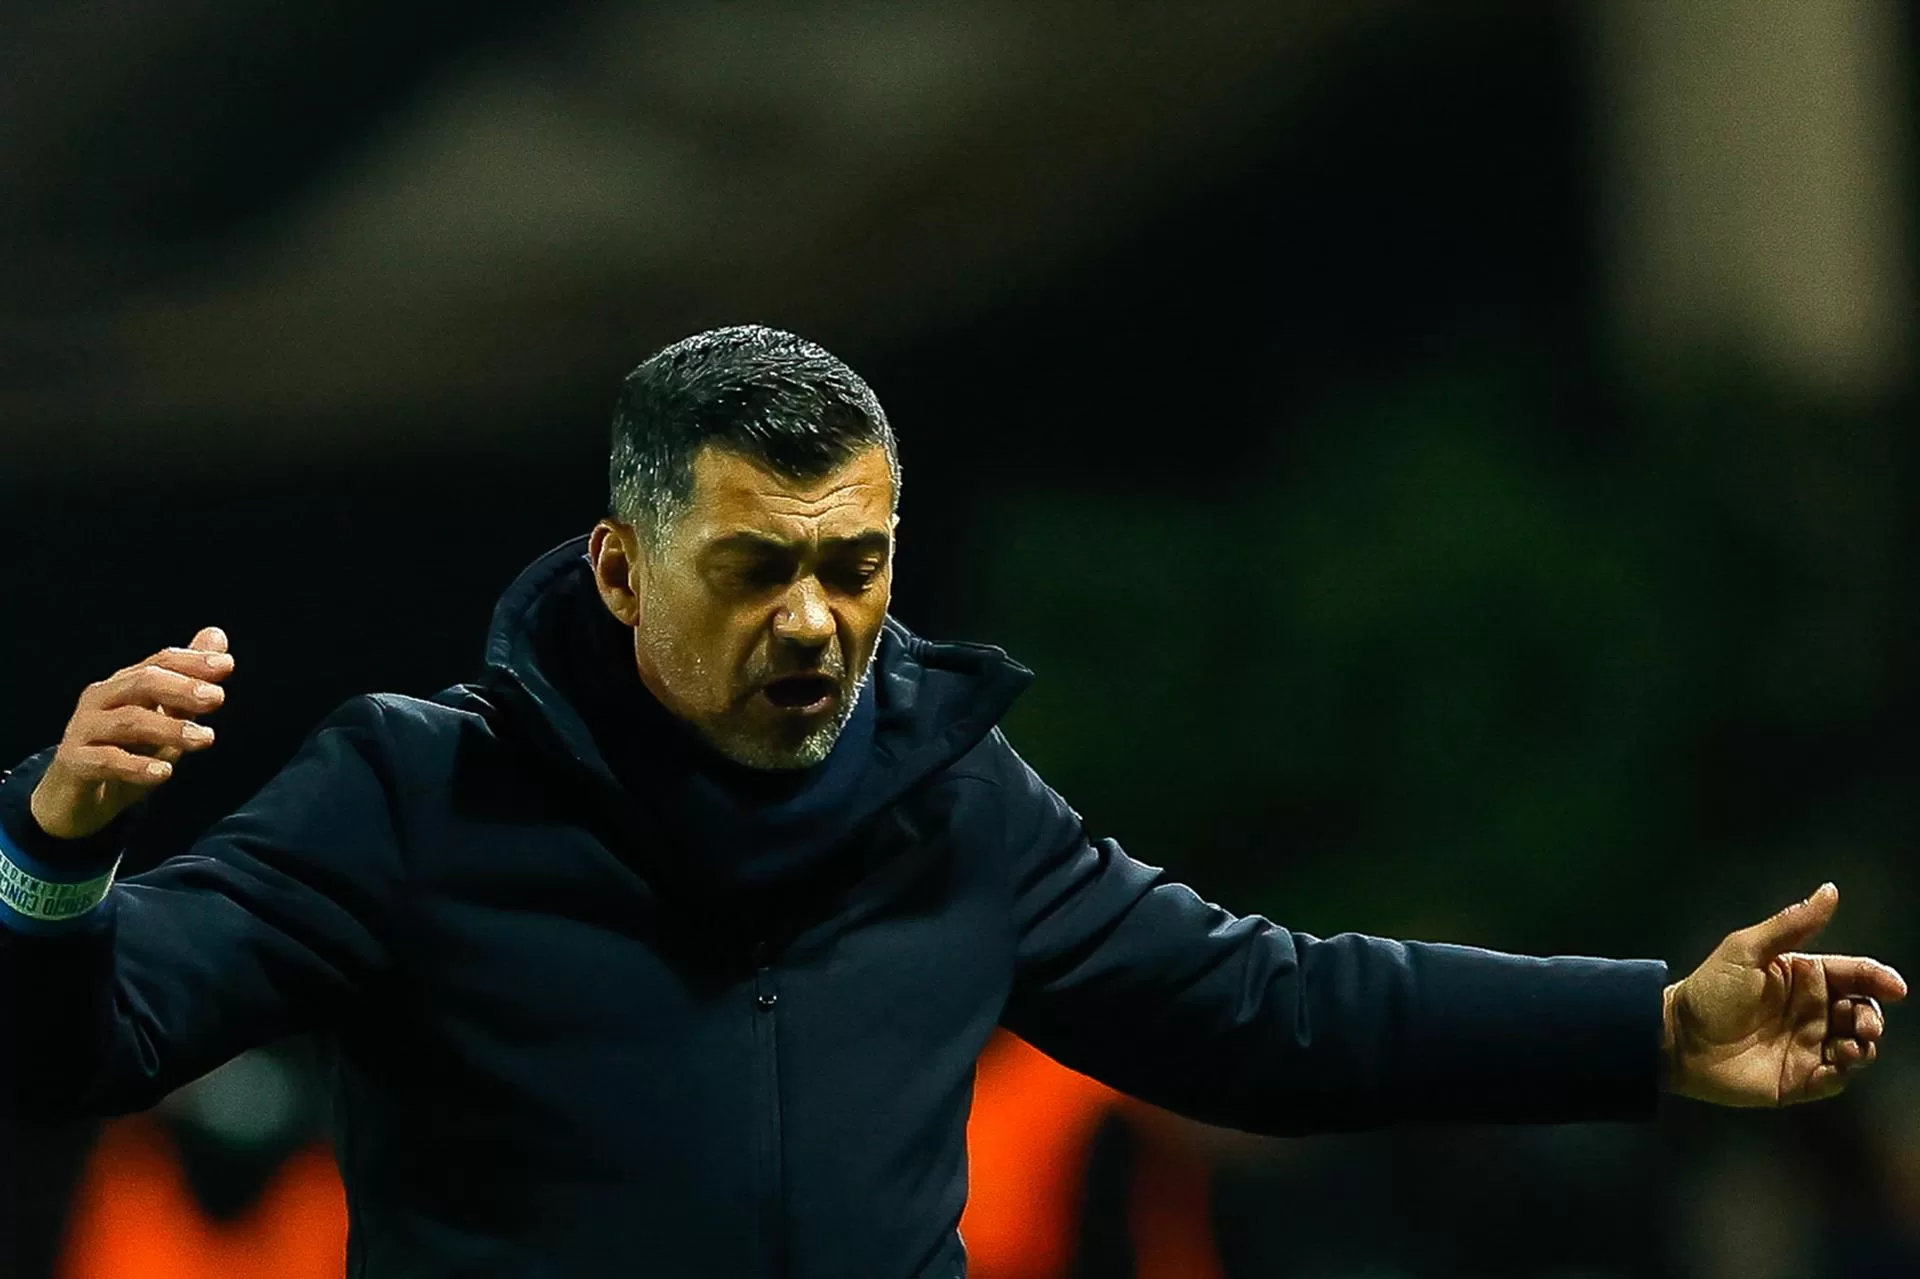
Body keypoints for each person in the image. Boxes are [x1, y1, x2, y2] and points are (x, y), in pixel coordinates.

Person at [0, 324, 1904, 1278]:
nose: (821, 620)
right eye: (759, 567)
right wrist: (51, 850)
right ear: (617, 568)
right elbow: (94, 1037)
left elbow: (1280, 1013)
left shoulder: (954, 803)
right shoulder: (414, 794)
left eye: (861, 560)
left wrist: (1649, 1031)